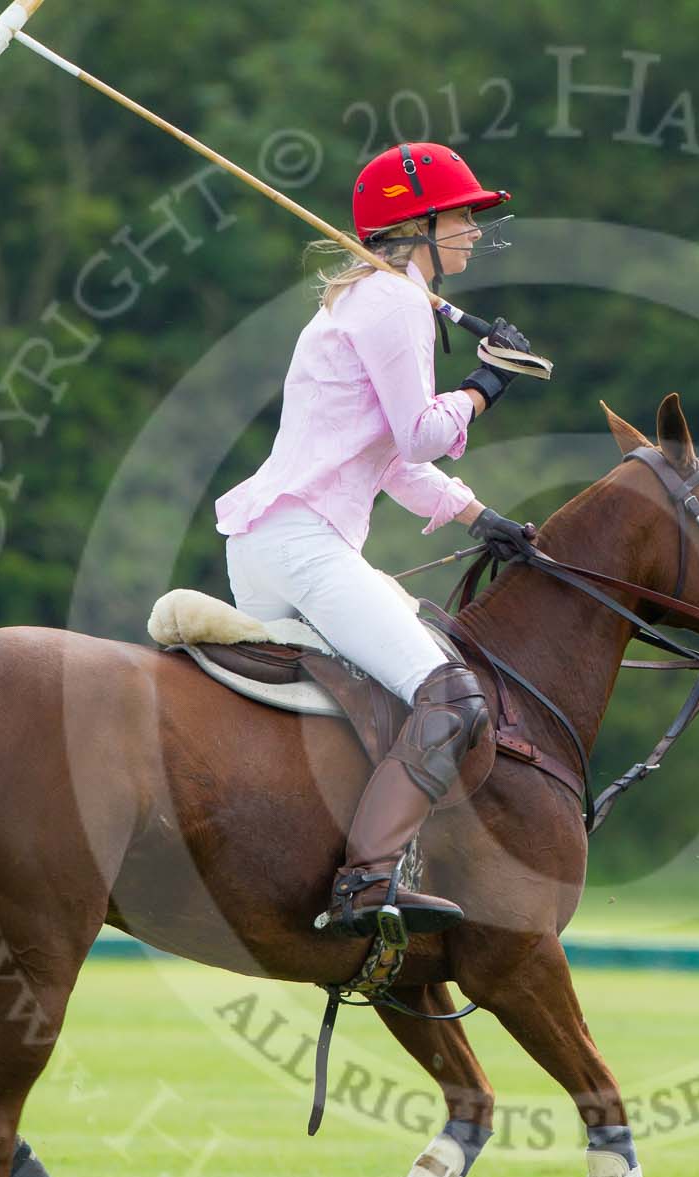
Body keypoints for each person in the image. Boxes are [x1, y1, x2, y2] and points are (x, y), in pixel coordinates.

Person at [214, 142, 533, 940]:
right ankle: (367, 880)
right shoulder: (394, 303)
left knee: (392, 683)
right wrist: (485, 388)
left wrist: (475, 515)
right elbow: (422, 435)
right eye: (461, 215)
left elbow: (387, 457)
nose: (471, 230)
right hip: (305, 544)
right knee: (450, 694)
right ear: (417, 223)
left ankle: (366, 854)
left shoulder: (366, 300)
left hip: (270, 543)